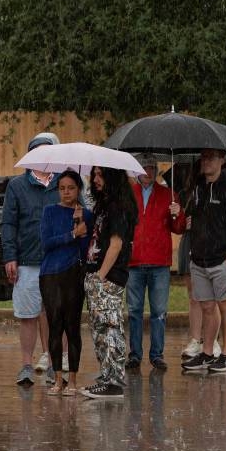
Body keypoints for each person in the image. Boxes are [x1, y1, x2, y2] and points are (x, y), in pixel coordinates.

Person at [2, 132, 61, 388]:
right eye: (37, 151)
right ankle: (26, 364)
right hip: (26, 261)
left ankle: (53, 363)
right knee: (27, 315)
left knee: (55, 314)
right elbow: (9, 224)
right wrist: (9, 256)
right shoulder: (16, 186)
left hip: (59, 262)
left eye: (47, 151)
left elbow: (80, 214)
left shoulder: (66, 183)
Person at [180, 149, 226, 373]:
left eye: (211, 157)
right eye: (204, 157)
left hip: (221, 258)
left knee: (225, 305)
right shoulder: (197, 188)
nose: (206, 161)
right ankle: (207, 353)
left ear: (222, 161)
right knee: (207, 306)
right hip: (199, 258)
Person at [80, 166, 137, 399]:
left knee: (110, 326)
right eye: (94, 175)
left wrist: (101, 276)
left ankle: (114, 380)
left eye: (101, 174)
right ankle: (106, 374)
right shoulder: (104, 205)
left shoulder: (119, 206)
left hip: (109, 276)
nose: (96, 179)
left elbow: (116, 244)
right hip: (95, 273)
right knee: (100, 328)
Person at [126, 156, 185, 372]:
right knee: (134, 310)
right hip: (134, 261)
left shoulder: (168, 195)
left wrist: (177, 214)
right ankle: (135, 354)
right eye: (143, 167)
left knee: (159, 311)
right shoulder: (128, 194)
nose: (147, 171)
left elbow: (178, 228)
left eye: (151, 167)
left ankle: (157, 354)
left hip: (159, 261)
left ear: (157, 170)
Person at [39, 170, 92, 396]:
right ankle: (57, 378)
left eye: (71, 188)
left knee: (72, 327)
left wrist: (81, 225)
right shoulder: (49, 212)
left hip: (74, 274)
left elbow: (85, 248)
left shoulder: (86, 214)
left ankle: (72, 380)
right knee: (55, 325)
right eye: (62, 188)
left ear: (78, 189)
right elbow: (46, 243)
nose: (66, 192)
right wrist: (71, 233)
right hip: (50, 274)